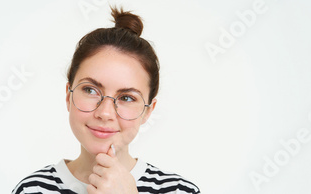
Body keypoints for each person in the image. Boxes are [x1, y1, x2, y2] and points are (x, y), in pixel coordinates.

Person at [12, 7, 200, 194]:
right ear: (69, 96)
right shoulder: (31, 189)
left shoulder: (179, 191)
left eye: (127, 98)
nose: (105, 113)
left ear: (147, 111)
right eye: (90, 90)